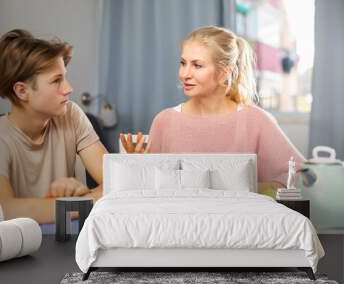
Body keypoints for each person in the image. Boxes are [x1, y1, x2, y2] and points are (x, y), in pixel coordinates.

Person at [120, 26, 305, 194]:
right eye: (183, 63)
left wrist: (252, 188)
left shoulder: (255, 120)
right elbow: (152, 191)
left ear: (224, 73)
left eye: (197, 65)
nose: (185, 74)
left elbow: (301, 175)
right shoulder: (164, 121)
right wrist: (138, 166)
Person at [0, 29, 108, 224]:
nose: (68, 88)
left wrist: (73, 200)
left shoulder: (71, 114)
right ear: (22, 91)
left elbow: (117, 182)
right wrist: (84, 201)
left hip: (68, 242)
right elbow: (1, 209)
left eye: (65, 77)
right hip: (16, 250)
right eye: (56, 81)